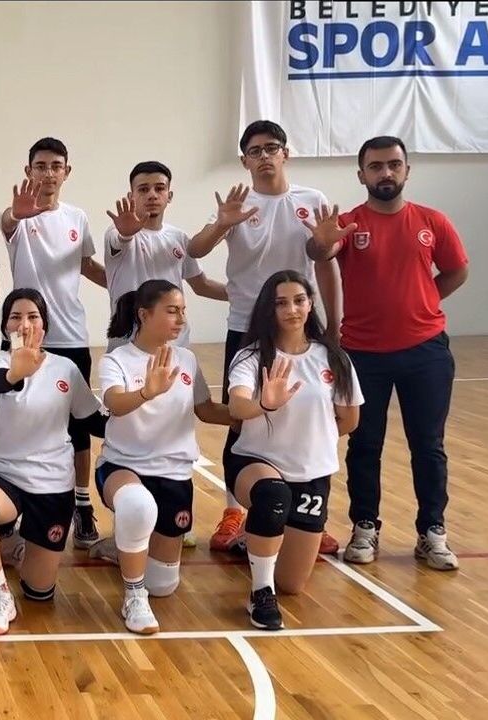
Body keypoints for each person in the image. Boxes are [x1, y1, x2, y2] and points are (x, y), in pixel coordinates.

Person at [305, 136, 469, 570]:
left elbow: (457, 270)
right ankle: (365, 527)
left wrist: (424, 303)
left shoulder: (432, 220)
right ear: (362, 175)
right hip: (363, 356)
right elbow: (321, 251)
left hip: (426, 353)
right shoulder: (348, 224)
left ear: (406, 171)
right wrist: (319, 244)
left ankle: (432, 531)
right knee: (364, 444)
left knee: (428, 446)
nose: (386, 173)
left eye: (394, 165)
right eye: (376, 166)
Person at [187, 120, 343, 557]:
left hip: (300, 329)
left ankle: (309, 517)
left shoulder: (311, 201)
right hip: (246, 327)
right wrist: (222, 224)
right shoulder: (238, 205)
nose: (264, 156)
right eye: (255, 151)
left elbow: (323, 260)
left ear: (285, 153)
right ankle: (234, 511)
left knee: (308, 420)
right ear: (245, 160)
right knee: (242, 420)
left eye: (271, 148)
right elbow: (196, 250)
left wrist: (334, 325)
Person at [0, 289, 107, 636]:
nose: (24, 324)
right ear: (5, 326)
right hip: (3, 475)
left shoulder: (65, 368)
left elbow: (92, 420)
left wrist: (143, 400)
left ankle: (15, 546)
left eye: (32, 316)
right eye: (15, 317)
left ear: (44, 325)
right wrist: (16, 372)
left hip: (52, 484)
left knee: (39, 593)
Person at [226, 270, 363, 630]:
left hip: (311, 474)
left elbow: (349, 420)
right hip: (256, 462)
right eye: (281, 303)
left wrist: (312, 439)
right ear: (268, 310)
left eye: (299, 300)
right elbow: (237, 407)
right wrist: (265, 405)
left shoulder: (333, 358)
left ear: (310, 304)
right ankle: (260, 593)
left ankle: (255, 538)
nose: (292, 309)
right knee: (273, 496)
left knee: (292, 584)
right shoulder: (251, 357)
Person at [96, 280, 232, 634]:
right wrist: (146, 392)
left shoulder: (186, 359)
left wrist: (260, 411)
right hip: (123, 466)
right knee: (137, 506)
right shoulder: (117, 360)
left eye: (183, 311)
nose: (181, 319)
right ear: (144, 315)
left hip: (173, 474)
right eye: (172, 311)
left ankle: (123, 548)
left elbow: (206, 409)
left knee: (163, 585)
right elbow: (114, 404)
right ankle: (133, 595)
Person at [0, 138, 109, 551]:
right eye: (40, 165)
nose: (47, 173)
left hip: (71, 335)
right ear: (28, 171)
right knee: (15, 417)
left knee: (78, 426)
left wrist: (127, 283)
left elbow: (86, 265)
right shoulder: (18, 215)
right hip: (21, 335)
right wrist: (17, 214)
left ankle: (81, 503)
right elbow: (8, 221)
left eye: (55, 165)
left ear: (66, 171)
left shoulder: (77, 217)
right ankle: (11, 502)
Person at [103, 161, 229, 350]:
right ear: (131, 196)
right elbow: (119, 241)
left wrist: (246, 295)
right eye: (143, 189)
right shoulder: (116, 232)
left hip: (176, 346)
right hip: (127, 347)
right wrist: (126, 234)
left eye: (159, 188)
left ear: (169, 196)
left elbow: (201, 285)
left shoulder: (179, 237)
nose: (152, 195)